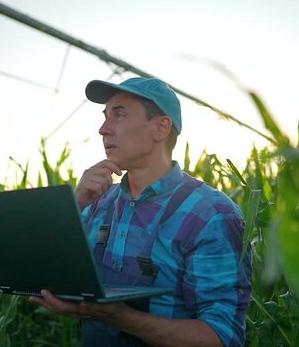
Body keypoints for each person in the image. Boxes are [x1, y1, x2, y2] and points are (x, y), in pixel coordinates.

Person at [30, 77, 252, 347]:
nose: (103, 129)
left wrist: (119, 316)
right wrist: (74, 204)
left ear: (160, 127)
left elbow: (221, 337)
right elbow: (47, 269)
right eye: (104, 116)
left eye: (118, 114)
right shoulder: (99, 203)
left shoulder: (210, 214)